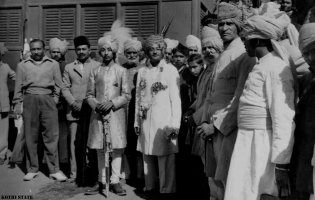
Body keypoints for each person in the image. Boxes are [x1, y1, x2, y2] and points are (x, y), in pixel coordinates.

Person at [224, 7, 295, 200]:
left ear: (256, 40)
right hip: (247, 141)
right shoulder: (260, 65)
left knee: (260, 192)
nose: (243, 44)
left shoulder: (276, 67)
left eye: (245, 39)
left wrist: (281, 163)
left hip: (263, 145)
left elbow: (283, 117)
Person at [196, 2, 249, 199]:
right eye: (221, 24)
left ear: (238, 26)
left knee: (229, 180)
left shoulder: (243, 55)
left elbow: (239, 99)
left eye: (229, 23)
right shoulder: (223, 55)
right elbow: (210, 94)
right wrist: (203, 120)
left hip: (227, 129)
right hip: (210, 127)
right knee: (214, 180)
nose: (224, 28)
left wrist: (216, 125)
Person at [85, 20, 131, 196]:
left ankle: (115, 181)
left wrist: (112, 103)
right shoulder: (95, 71)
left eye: (109, 49)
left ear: (114, 51)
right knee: (100, 148)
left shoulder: (121, 71)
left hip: (116, 114)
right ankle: (101, 180)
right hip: (98, 115)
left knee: (117, 147)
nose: (106, 53)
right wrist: (97, 106)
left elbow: (127, 95)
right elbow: (89, 95)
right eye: (102, 50)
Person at [13, 39, 67, 181]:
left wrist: (55, 98)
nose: (36, 52)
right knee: (31, 136)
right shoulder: (22, 65)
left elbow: (59, 85)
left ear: (44, 49)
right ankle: (32, 168)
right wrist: (18, 104)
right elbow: (18, 87)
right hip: (30, 98)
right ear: (30, 50)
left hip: (48, 99)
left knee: (51, 135)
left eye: (39, 49)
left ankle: (54, 169)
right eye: (33, 49)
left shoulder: (53, 64)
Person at [134, 35, 181, 196]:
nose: (154, 52)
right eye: (151, 49)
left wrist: (175, 124)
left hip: (164, 120)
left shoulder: (171, 70)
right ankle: (150, 187)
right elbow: (138, 98)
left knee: (165, 155)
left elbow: (176, 100)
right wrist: (137, 122)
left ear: (163, 51)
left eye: (158, 49)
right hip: (145, 118)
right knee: (147, 153)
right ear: (147, 52)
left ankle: (167, 190)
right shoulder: (142, 71)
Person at [62, 36, 100, 184]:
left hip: (91, 110)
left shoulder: (97, 66)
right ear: (75, 51)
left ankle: (92, 173)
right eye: (78, 49)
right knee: (74, 143)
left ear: (89, 50)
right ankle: (75, 173)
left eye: (84, 49)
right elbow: (65, 88)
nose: (81, 51)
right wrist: (72, 103)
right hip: (74, 110)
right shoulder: (69, 67)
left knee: (92, 142)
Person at [292, 23, 315, 200]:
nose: (310, 57)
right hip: (303, 156)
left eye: (313, 50)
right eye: (305, 53)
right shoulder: (306, 80)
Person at [122, 38, 145, 184]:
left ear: (139, 53)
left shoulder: (144, 69)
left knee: (139, 142)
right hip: (123, 110)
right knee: (125, 142)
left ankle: (140, 175)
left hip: (139, 111)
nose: (131, 55)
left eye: (134, 53)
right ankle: (127, 174)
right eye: (128, 53)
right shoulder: (121, 68)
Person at [0, 43, 15, 165]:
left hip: (2, 103)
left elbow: (16, 77)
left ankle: (1, 154)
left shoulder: (5, 67)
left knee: (3, 130)